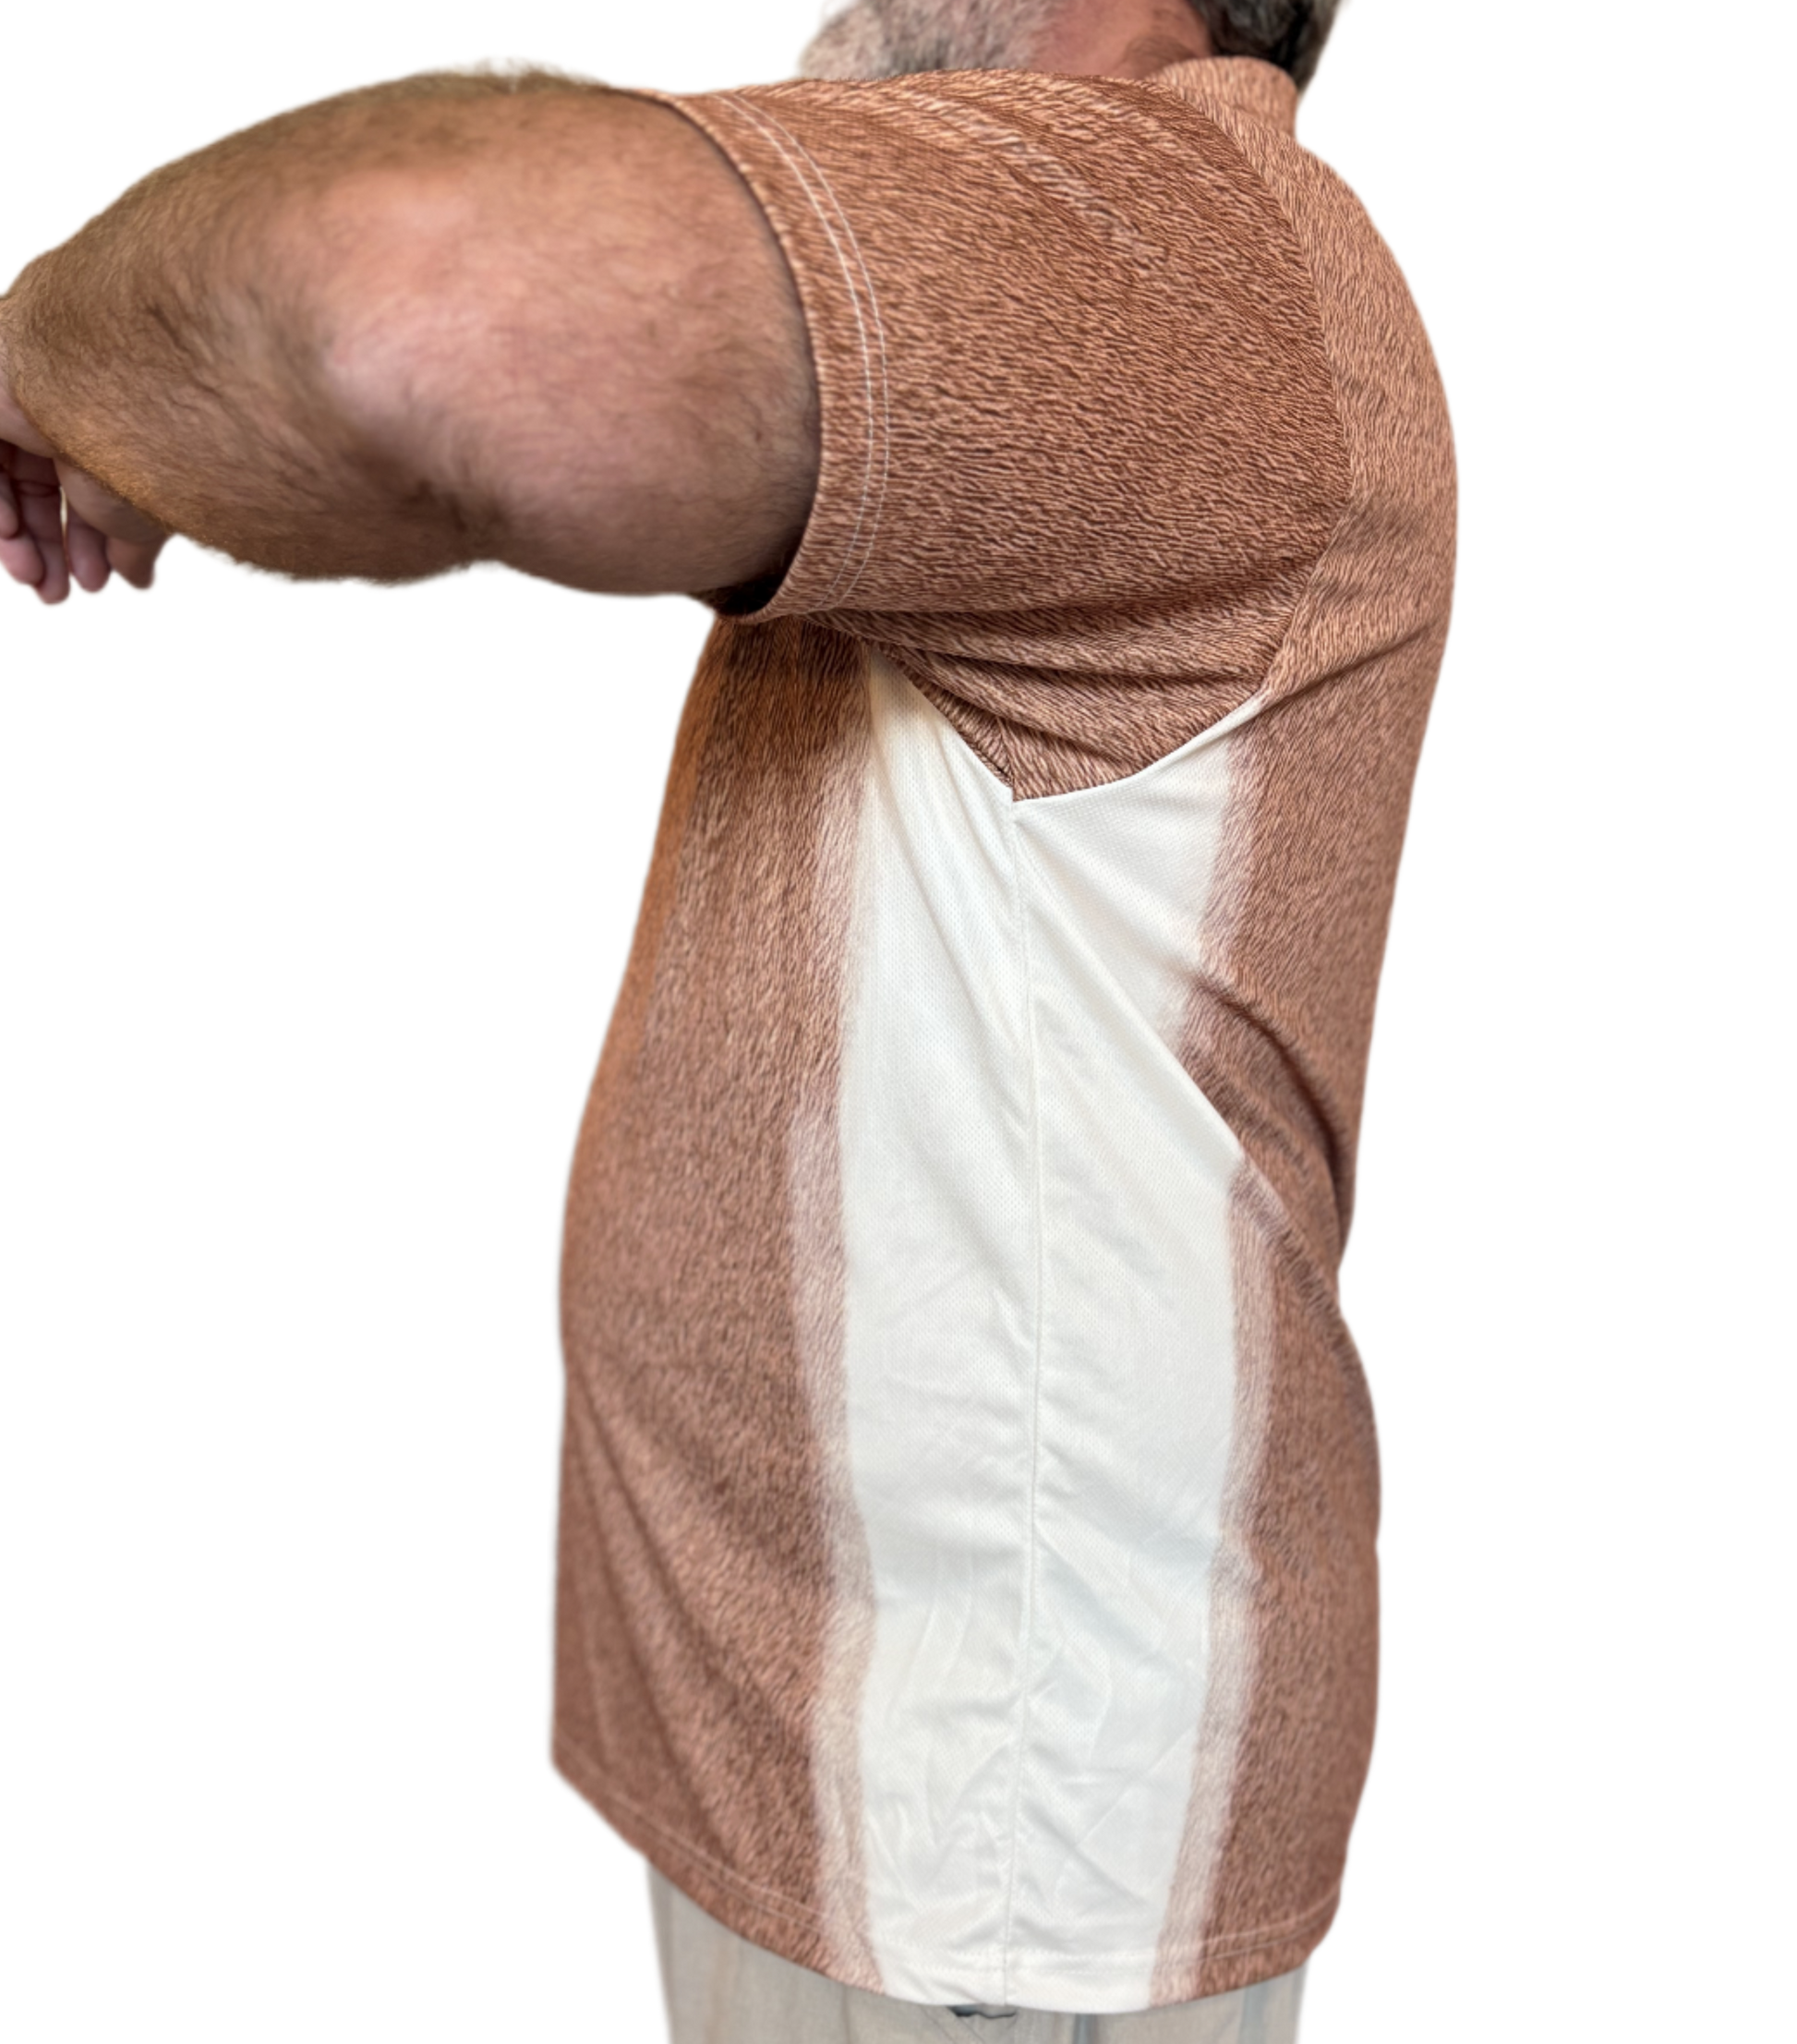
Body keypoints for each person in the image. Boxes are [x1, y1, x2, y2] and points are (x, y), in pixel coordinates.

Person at [1, 5, 1461, 2038]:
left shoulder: (1145, 238)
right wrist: (159, 416)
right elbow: (435, 432)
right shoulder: (1120, 271)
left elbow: (410, 299)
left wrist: (36, 337)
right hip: (876, 1752)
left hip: (970, 1830)